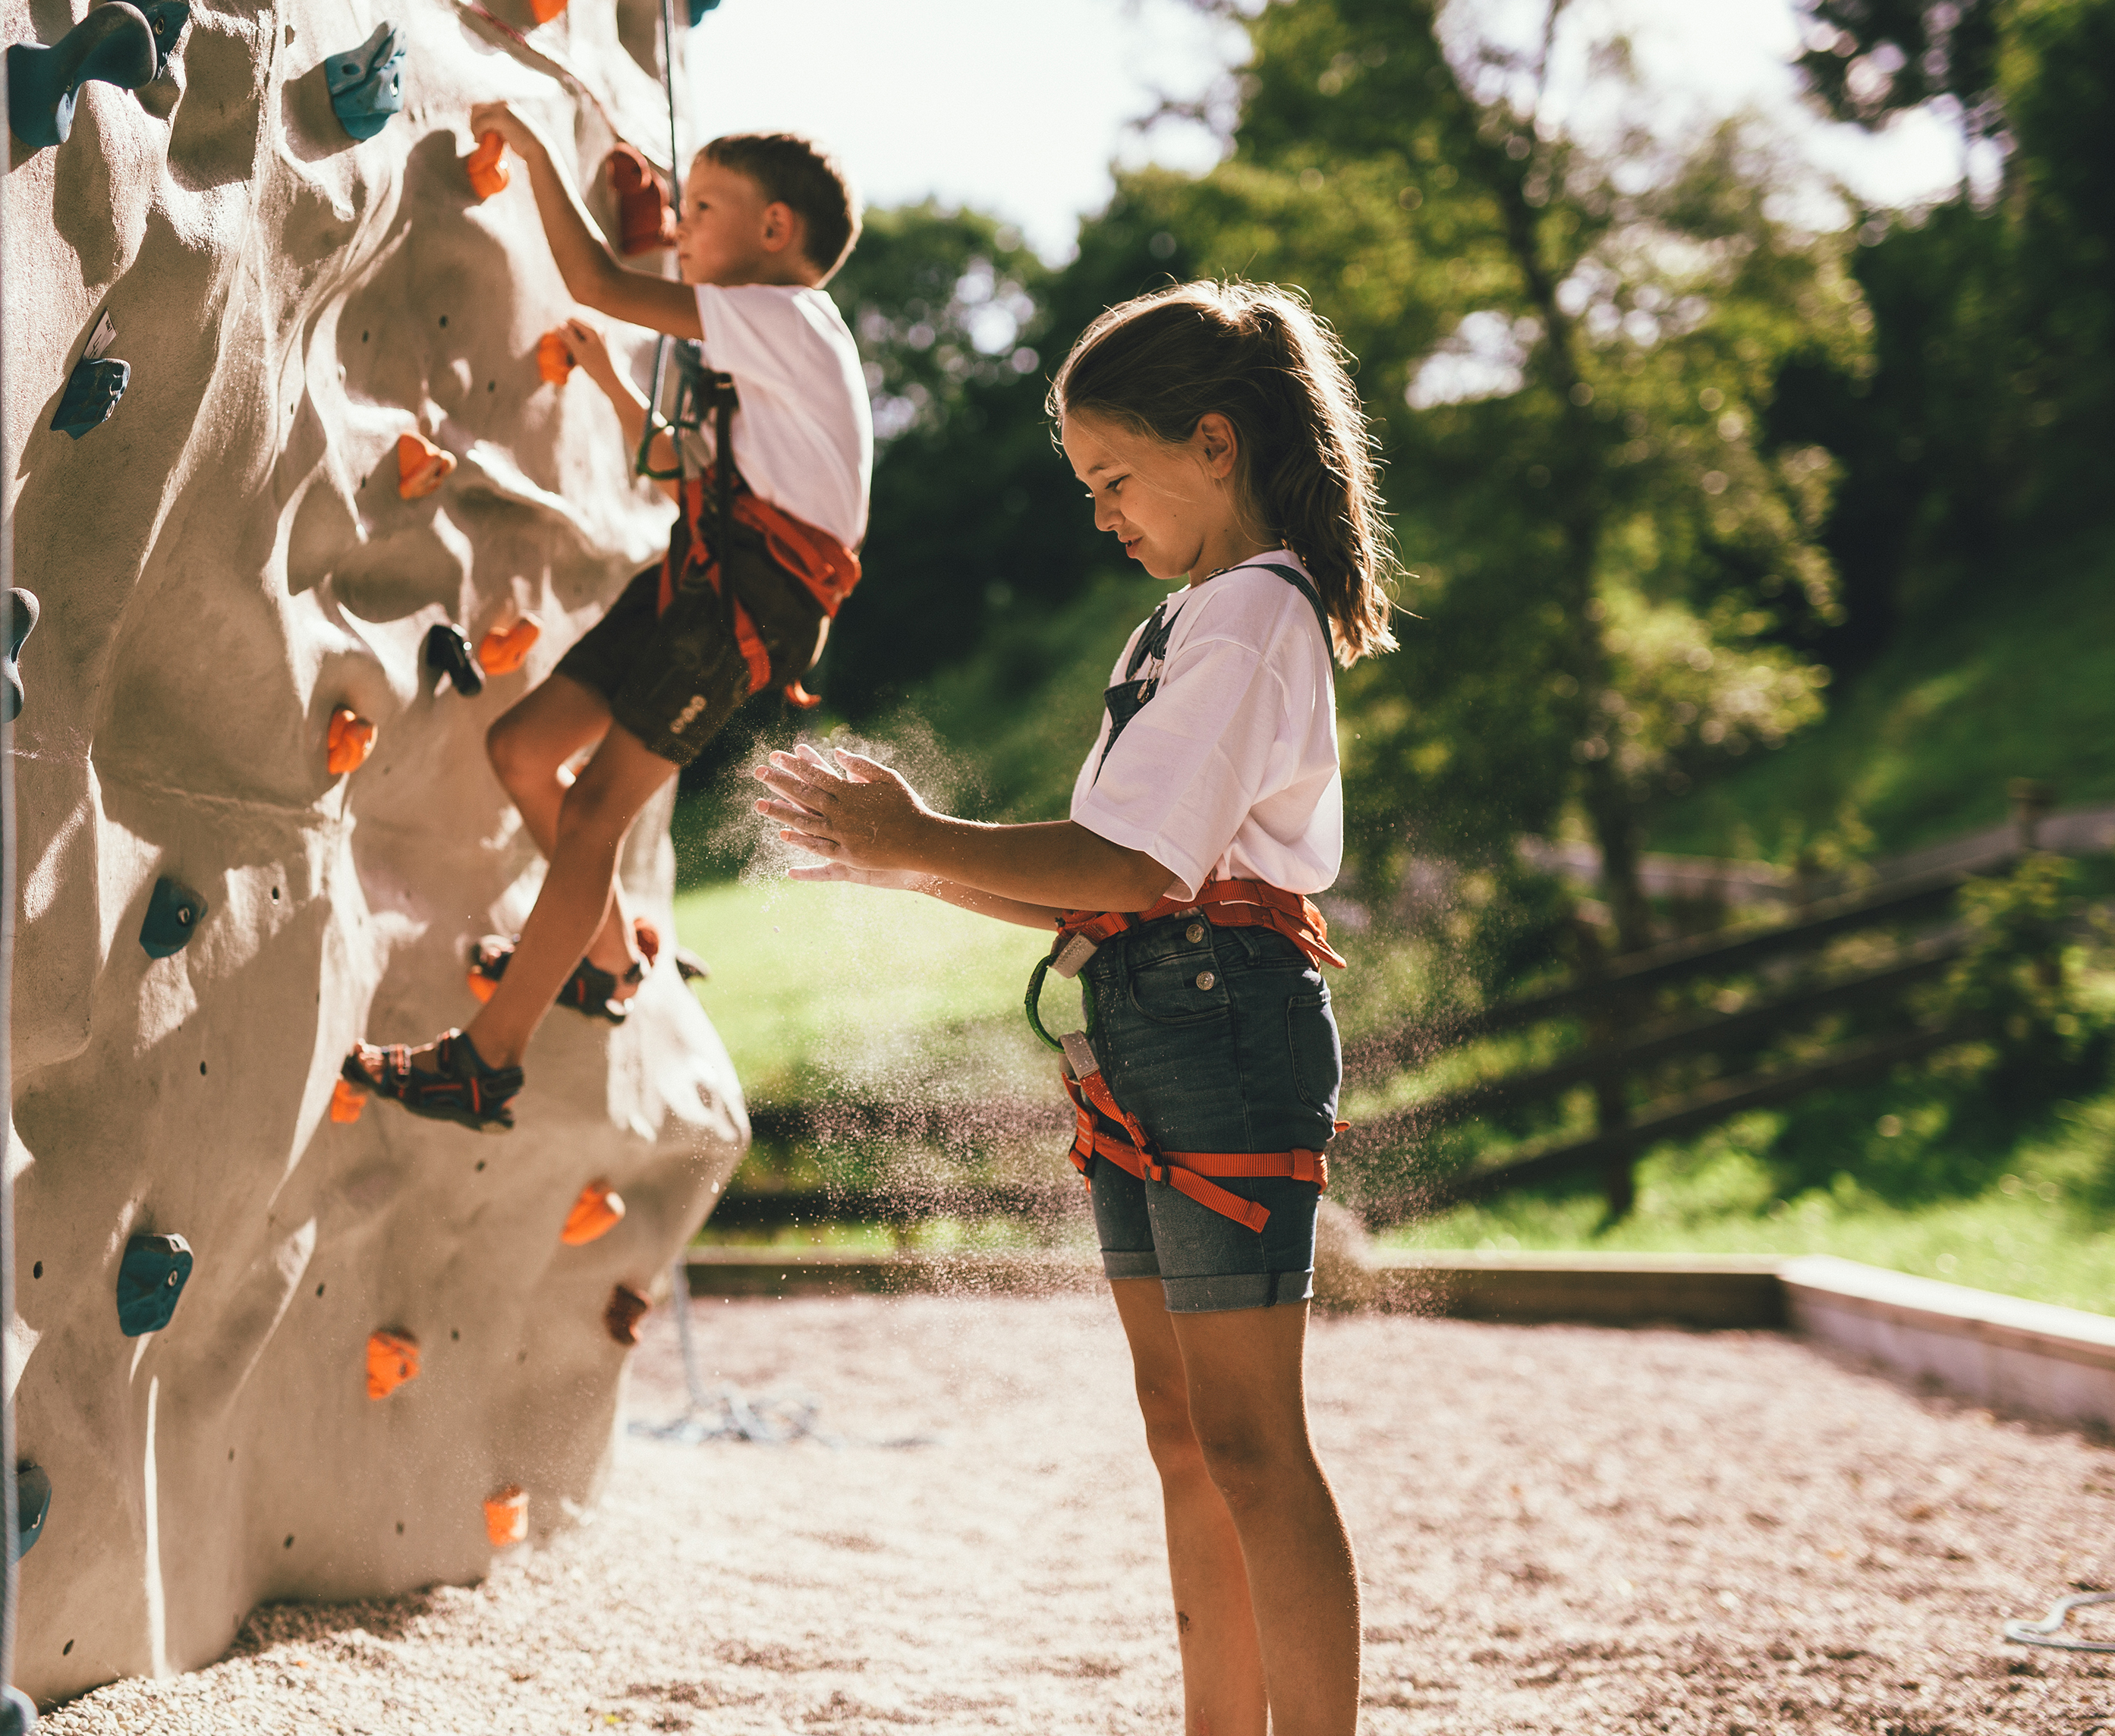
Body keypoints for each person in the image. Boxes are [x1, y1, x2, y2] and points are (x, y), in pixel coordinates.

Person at [751, 281, 1399, 1736]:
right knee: (1185, 1436)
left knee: (1249, 1440)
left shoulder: (1245, 619)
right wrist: (901, 858)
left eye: (1115, 478)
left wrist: (916, 839)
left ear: (1214, 445)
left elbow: (1138, 864)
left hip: (1222, 1020)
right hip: (1154, 1019)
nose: (1100, 513)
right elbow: (1097, 892)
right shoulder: (1182, 623)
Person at [341, 115, 870, 1128]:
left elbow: (601, 281)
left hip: (745, 606)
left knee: (593, 818)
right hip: (703, 578)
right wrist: (616, 384)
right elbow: (681, 471)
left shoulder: (789, 314)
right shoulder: (768, 343)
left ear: (773, 227)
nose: (680, 231)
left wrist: (536, 153)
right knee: (525, 750)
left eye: (701, 210)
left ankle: (487, 1061)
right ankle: (604, 957)